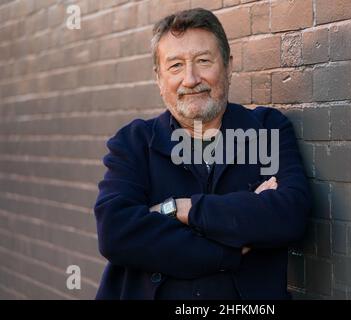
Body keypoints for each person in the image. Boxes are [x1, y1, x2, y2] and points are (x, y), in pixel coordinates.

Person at [93, 7, 311, 300]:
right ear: (159, 79)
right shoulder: (133, 143)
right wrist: (229, 248)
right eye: (175, 66)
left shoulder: (266, 130)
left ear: (228, 66)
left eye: (203, 61)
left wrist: (180, 209)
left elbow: (290, 215)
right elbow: (116, 234)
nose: (191, 78)